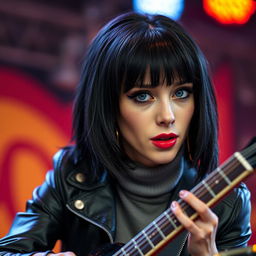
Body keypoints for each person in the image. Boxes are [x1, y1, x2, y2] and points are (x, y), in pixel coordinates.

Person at [0, 12, 251, 256]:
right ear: (108, 106)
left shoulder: (229, 204)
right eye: (142, 96)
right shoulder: (72, 176)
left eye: (181, 93)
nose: (168, 115)